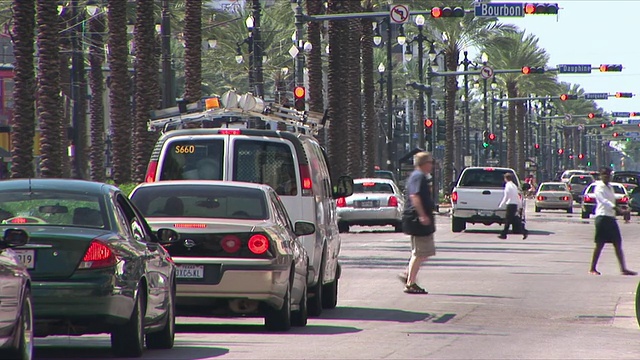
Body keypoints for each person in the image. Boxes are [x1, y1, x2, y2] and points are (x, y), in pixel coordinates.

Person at [398, 152, 435, 294]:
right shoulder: (418, 177)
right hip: (416, 218)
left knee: (423, 252)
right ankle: (410, 282)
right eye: (430, 162)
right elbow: (415, 196)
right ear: (424, 163)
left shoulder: (420, 177)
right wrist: (422, 215)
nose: (431, 165)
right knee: (420, 252)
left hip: (417, 217)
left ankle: (408, 274)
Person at [589, 167, 636, 276]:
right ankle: (592, 268)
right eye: (604, 174)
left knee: (617, 243)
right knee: (599, 244)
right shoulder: (599, 188)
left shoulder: (610, 187)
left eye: (608, 174)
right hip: (602, 217)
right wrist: (617, 209)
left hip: (610, 217)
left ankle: (623, 268)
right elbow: (604, 201)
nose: (606, 176)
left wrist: (623, 211)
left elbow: (612, 201)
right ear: (601, 176)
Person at [498, 173, 528, 240]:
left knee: (508, 220)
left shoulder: (508, 186)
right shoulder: (514, 186)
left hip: (510, 204)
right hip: (515, 204)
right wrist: (520, 205)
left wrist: (501, 205)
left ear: (506, 179)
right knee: (513, 220)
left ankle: (504, 234)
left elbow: (506, 196)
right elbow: (517, 196)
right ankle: (523, 232)